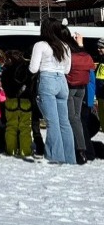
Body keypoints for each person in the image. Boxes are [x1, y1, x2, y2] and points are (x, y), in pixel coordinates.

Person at [29, 18, 74, 165]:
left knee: (52, 122)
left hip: (47, 80)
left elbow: (33, 69)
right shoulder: (65, 46)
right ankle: (69, 157)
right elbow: (67, 69)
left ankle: (54, 156)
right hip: (62, 82)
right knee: (64, 123)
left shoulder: (40, 45)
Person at [0, 49, 34, 158]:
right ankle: (25, 151)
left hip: (11, 100)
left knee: (11, 127)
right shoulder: (27, 69)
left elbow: (4, 86)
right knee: (25, 127)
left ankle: (11, 150)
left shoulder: (6, 70)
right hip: (25, 101)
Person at [67, 34, 94, 164]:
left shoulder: (70, 57)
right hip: (82, 89)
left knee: (72, 119)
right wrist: (81, 44)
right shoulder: (87, 57)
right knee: (77, 118)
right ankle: (82, 150)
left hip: (70, 88)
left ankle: (77, 150)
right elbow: (91, 68)